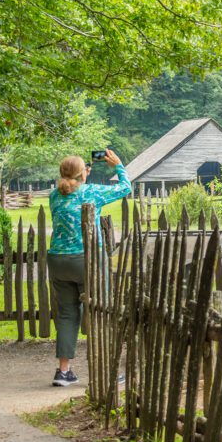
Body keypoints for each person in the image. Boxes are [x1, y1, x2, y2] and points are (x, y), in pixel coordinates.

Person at [47, 149, 131, 387]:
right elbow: (126, 188)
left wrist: (83, 172)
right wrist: (118, 165)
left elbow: (71, 187)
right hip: (86, 259)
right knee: (99, 310)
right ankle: (107, 371)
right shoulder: (90, 192)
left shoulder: (54, 196)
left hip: (58, 260)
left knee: (66, 314)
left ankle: (63, 371)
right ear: (83, 173)